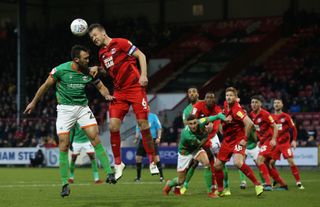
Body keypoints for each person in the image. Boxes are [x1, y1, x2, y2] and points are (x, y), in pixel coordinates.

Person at [24, 45, 116, 198]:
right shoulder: (60, 70)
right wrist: (33, 102)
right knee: (64, 144)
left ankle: (109, 173)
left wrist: (106, 95)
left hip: (82, 108)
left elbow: (102, 87)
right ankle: (65, 184)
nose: (88, 60)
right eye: (85, 58)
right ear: (76, 60)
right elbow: (45, 86)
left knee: (95, 138)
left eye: (88, 58)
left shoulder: (89, 71)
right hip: (65, 110)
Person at [88, 23, 156, 181]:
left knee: (143, 125)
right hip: (119, 92)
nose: (94, 39)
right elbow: (109, 70)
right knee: (113, 126)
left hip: (135, 88)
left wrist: (144, 75)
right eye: (91, 38)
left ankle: (152, 160)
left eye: (95, 36)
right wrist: (98, 68)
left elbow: (141, 55)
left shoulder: (121, 42)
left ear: (103, 33)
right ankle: (118, 164)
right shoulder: (101, 53)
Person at [214, 87, 264, 197]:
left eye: (231, 95)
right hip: (227, 140)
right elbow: (223, 115)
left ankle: (257, 184)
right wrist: (221, 124)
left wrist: (245, 139)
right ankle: (221, 189)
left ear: (235, 98)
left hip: (238, 140)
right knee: (217, 165)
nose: (228, 97)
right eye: (227, 95)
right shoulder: (226, 105)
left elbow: (250, 124)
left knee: (237, 162)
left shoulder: (237, 110)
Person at [162, 113, 226, 198]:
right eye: (191, 124)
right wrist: (207, 134)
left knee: (207, 163)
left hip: (195, 149)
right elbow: (201, 143)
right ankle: (169, 184)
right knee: (180, 181)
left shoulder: (201, 121)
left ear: (197, 121)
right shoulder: (187, 135)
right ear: (187, 124)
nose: (193, 126)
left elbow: (214, 117)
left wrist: (223, 117)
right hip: (185, 152)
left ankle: (210, 192)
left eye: (195, 123)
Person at [181, 91, 230, 196]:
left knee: (220, 162)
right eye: (207, 97)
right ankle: (184, 185)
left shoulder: (217, 109)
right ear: (204, 99)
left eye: (212, 97)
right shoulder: (199, 105)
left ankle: (226, 187)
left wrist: (212, 129)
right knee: (194, 163)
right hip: (200, 137)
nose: (209, 99)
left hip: (212, 137)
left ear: (214, 100)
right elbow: (193, 118)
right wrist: (203, 128)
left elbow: (217, 123)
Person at [250, 96, 287, 191]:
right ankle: (283, 185)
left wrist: (274, 139)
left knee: (259, 160)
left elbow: (275, 127)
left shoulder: (265, 114)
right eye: (252, 102)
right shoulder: (252, 114)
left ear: (260, 104)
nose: (254, 104)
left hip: (270, 140)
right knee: (266, 164)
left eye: (256, 102)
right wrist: (259, 140)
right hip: (263, 142)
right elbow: (257, 129)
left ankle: (268, 184)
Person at [271, 98, 304, 189]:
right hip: (275, 144)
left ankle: (298, 182)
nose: (276, 104)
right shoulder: (271, 117)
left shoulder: (286, 116)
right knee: (270, 163)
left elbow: (293, 129)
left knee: (291, 162)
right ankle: (276, 179)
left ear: (282, 105)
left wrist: (294, 140)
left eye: (278, 103)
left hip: (285, 144)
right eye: (275, 103)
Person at [134, 112, 164, 182]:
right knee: (138, 158)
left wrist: (159, 137)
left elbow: (159, 128)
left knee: (156, 158)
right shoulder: (140, 116)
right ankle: (138, 177)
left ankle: (161, 177)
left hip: (152, 139)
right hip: (142, 140)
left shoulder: (153, 116)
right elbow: (138, 127)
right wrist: (136, 136)